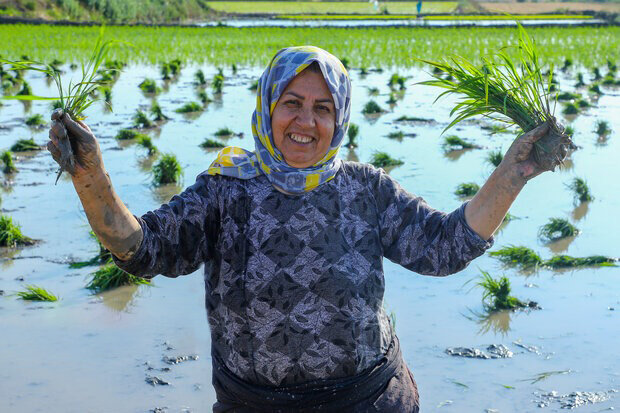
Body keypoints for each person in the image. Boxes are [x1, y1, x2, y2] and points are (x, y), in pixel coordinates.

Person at [47, 46, 549, 412]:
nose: (305, 121)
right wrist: (91, 176)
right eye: (292, 102)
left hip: (369, 401)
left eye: (322, 107)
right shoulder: (226, 189)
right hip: (252, 405)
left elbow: (445, 247)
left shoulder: (364, 188)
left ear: (340, 117)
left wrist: (513, 173)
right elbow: (142, 248)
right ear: (268, 107)